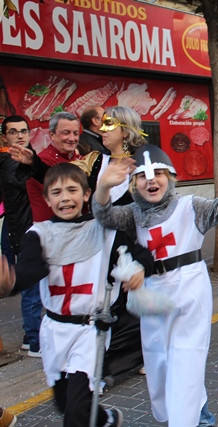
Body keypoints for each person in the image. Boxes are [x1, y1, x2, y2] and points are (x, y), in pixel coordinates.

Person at [91, 144, 218, 426]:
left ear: (170, 177)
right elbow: (104, 217)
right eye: (143, 176)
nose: (151, 181)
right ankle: (199, 417)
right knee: (160, 364)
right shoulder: (134, 212)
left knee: (185, 363)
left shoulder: (190, 205)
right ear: (135, 184)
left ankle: (196, 422)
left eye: (158, 173)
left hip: (188, 291)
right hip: (153, 295)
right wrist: (104, 188)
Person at [0, 162, 154, 427]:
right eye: (57, 192)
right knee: (64, 404)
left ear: (85, 195)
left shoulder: (103, 230)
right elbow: (31, 267)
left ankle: (95, 416)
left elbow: (142, 256)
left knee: (75, 412)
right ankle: (105, 419)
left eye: (72, 190)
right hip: (53, 330)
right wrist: (12, 279)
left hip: (89, 332)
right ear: (47, 199)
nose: (65, 198)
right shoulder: (38, 234)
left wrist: (140, 271)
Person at [11, 106, 148, 377]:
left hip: (132, 242)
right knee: (106, 299)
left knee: (130, 298)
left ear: (125, 130)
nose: (102, 130)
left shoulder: (142, 164)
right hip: (97, 241)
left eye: (110, 124)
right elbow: (66, 182)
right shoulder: (96, 160)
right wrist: (34, 164)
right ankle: (98, 363)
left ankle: (134, 356)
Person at [0, 116, 39, 357]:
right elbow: (30, 184)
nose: (20, 135)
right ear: (5, 137)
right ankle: (34, 340)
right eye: (14, 132)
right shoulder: (9, 161)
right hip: (22, 228)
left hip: (23, 226)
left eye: (23, 131)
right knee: (31, 285)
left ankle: (31, 336)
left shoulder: (23, 158)